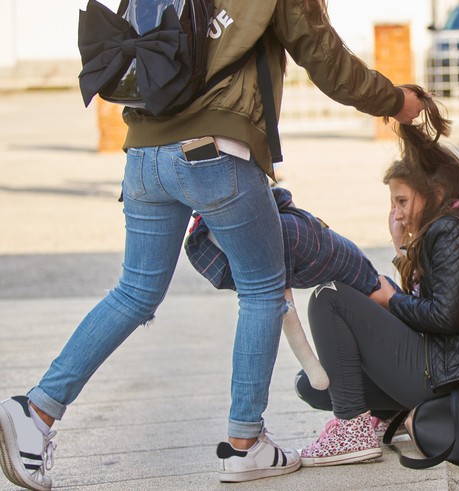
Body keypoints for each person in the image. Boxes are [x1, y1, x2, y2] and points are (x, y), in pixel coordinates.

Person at [0, 1, 423, 489]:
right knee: (263, 291)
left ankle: (34, 412)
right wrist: (397, 102)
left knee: (133, 293)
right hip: (216, 154)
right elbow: (327, 60)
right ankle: (246, 445)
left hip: (143, 154)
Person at [293, 88, 459, 467]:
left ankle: (352, 430)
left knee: (329, 296)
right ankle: (375, 417)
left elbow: (445, 317)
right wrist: (401, 248)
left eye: (402, 201)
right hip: (450, 365)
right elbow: (435, 301)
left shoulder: (455, 227)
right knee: (316, 385)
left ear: (434, 191)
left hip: (453, 374)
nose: (397, 213)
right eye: (392, 203)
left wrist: (390, 301)